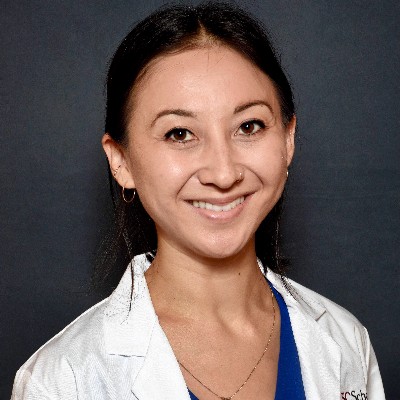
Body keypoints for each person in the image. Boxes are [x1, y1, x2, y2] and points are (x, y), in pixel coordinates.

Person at [12, 2, 385, 399]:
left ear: (288, 140)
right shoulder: (60, 381)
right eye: (179, 134)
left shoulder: (347, 341)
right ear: (120, 161)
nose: (223, 174)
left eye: (249, 126)